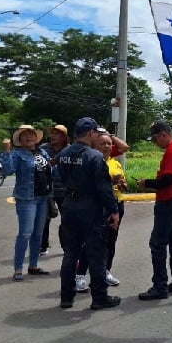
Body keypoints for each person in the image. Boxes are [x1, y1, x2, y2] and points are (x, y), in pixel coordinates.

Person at [55, 117, 121, 310]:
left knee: (70, 254)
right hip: (90, 207)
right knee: (96, 254)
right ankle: (99, 297)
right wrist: (113, 211)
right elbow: (104, 187)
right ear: (91, 133)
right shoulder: (94, 156)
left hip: (69, 205)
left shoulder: (63, 153)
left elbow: (59, 177)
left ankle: (66, 297)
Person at [137, 120, 172, 300]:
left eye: (154, 139)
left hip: (169, 200)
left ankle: (160, 286)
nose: (154, 143)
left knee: (158, 244)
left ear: (163, 135)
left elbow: (168, 179)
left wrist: (147, 183)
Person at [0, 125, 52, 281]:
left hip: (43, 197)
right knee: (25, 233)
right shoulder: (17, 154)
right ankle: (18, 269)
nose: (29, 137)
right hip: (26, 198)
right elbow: (8, 170)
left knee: (38, 234)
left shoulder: (42, 152)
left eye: (31, 134)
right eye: (25, 135)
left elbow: (51, 170)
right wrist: (6, 150)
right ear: (19, 140)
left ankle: (33, 265)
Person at [76, 130, 126, 286]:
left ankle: (106, 271)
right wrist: (109, 182)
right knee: (91, 241)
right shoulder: (92, 161)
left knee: (111, 240)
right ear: (94, 146)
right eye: (102, 143)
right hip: (97, 205)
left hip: (117, 203)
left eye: (109, 144)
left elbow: (122, 184)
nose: (106, 146)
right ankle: (80, 275)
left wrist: (122, 184)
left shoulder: (115, 162)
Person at [40, 124, 69, 257]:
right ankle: (43, 246)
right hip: (47, 190)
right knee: (44, 219)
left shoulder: (70, 150)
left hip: (65, 190)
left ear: (64, 137)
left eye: (56, 133)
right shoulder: (43, 148)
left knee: (67, 220)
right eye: (52, 133)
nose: (53, 136)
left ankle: (66, 246)